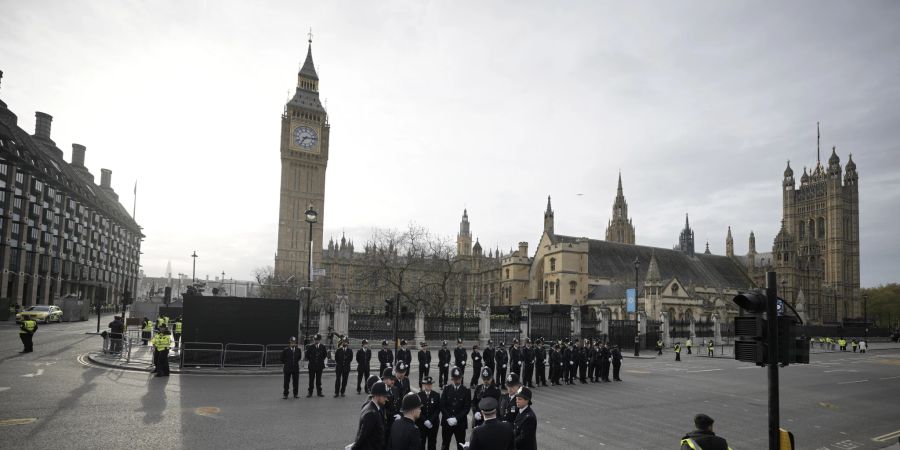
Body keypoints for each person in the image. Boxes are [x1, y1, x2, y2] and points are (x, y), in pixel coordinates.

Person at [440, 367, 470, 450]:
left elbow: (466, 408)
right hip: (447, 423)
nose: (456, 381)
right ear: (452, 378)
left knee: (460, 445)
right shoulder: (446, 389)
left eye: (458, 379)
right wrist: (448, 418)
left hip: (460, 424)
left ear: (461, 378)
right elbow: (442, 405)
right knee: (445, 445)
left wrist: (456, 418)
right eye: (454, 379)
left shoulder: (466, 391)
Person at [352, 380, 389, 450]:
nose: (386, 399)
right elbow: (363, 436)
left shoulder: (372, 407)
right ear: (376, 396)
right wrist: (353, 448)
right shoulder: (371, 413)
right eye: (384, 396)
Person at [416, 376, 441, 450]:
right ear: (424, 385)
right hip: (421, 423)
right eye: (427, 384)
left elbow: (438, 409)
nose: (429, 386)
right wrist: (424, 420)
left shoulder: (436, 395)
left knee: (432, 443)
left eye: (430, 384)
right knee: (421, 442)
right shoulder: (419, 395)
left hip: (433, 424)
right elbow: (418, 409)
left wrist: (430, 420)